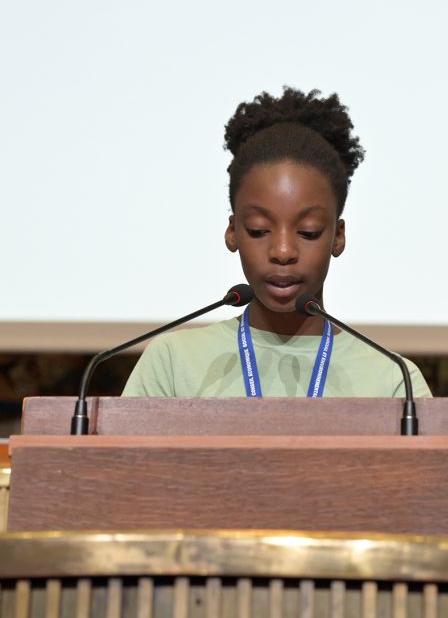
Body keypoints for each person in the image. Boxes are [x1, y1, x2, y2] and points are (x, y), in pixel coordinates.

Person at [123, 86, 431, 398]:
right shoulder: (173, 363)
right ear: (233, 233)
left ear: (338, 237)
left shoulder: (394, 379)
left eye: (308, 232)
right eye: (259, 230)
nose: (283, 252)